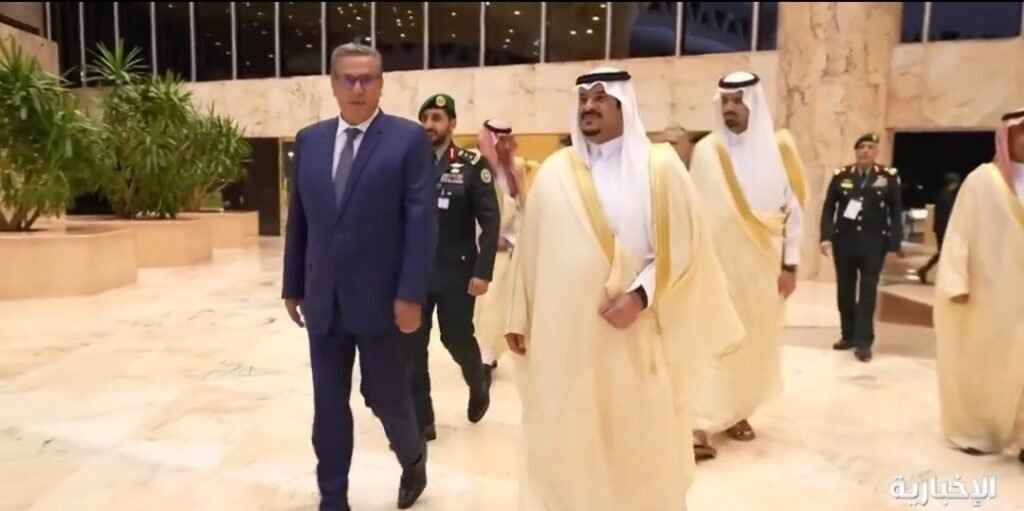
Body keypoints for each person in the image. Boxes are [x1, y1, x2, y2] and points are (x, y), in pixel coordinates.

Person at [504, 67, 744, 511]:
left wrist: (639, 297)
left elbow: (685, 250)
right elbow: (529, 252)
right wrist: (518, 316)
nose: (589, 106)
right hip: (565, 342)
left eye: (600, 97)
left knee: (636, 437)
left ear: (622, 105)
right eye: (583, 99)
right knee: (566, 436)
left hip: (631, 335)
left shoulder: (660, 169)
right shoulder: (556, 172)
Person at [281, 43, 432, 511]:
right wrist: (293, 285)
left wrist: (411, 294)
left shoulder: (407, 139)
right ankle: (333, 497)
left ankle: (412, 456)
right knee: (328, 404)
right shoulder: (310, 141)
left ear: (381, 84)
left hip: (383, 301)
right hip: (323, 300)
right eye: (348, 78)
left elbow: (421, 222)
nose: (358, 87)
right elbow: (300, 219)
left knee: (385, 396)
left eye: (368, 78)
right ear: (333, 84)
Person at [686, 71, 807, 458]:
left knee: (753, 342)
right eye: (725, 101)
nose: (730, 108)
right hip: (715, 267)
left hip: (761, 270)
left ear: (753, 103)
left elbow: (793, 212)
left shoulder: (780, 151)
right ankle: (700, 423)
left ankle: (738, 412)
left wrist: (790, 266)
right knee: (712, 338)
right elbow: (694, 213)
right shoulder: (706, 152)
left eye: (738, 100)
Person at [935, 107, 1024, 464]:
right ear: (1007, 136)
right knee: (988, 364)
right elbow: (960, 233)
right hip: (991, 293)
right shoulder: (982, 181)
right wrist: (956, 281)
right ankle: (979, 430)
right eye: (1022, 131)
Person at [409, 94, 500, 441]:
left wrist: (483, 271)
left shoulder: (471, 165)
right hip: (416, 273)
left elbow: (490, 221)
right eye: (425, 118)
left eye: (437, 118)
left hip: (456, 272)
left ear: (452, 124)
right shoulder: (409, 164)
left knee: (456, 338)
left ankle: (478, 381)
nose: (429, 125)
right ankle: (423, 420)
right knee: (412, 347)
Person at [820, 132, 903, 363]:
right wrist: (825, 236)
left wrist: (894, 246)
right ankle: (848, 335)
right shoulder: (842, 175)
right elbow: (828, 208)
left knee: (867, 292)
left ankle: (864, 342)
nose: (865, 151)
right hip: (844, 242)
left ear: (876, 151)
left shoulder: (887, 176)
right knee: (845, 291)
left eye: (870, 147)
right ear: (855, 152)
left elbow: (896, 212)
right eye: (861, 147)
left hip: (873, 243)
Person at [472, 119, 529, 374]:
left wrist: (517, 238)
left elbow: (523, 205)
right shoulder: (476, 167)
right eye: (499, 140)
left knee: (500, 304)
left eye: (508, 139)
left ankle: (489, 355)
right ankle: (484, 354)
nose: (504, 145)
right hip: (482, 247)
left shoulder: (517, 167)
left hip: (510, 248)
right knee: (483, 306)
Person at [917, 172, 961, 284]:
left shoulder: (943, 195)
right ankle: (925, 271)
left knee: (942, 253)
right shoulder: (947, 197)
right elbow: (946, 216)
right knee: (943, 253)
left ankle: (925, 271)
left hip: (940, 229)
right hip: (943, 230)